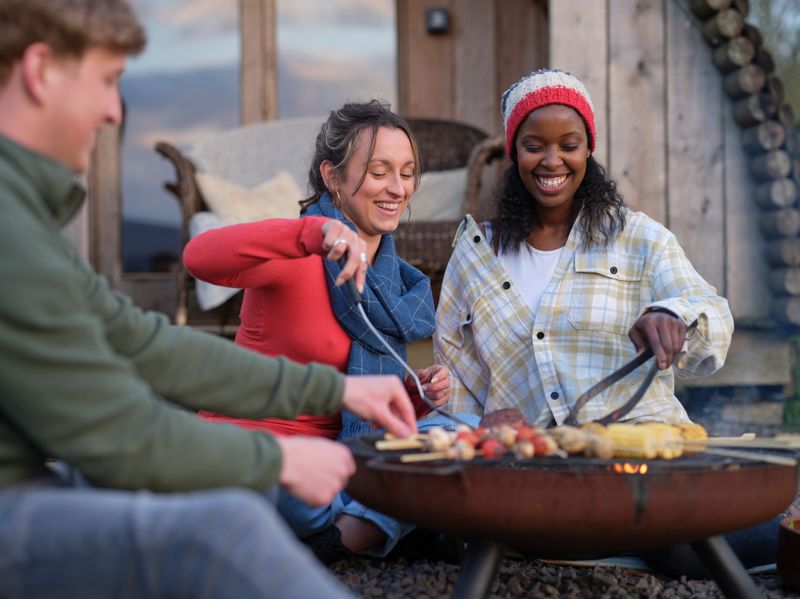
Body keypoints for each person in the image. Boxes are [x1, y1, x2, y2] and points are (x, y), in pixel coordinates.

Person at [0, 1, 419, 597]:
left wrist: (340, 391)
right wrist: (278, 462)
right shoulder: (11, 230)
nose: (116, 110)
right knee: (219, 531)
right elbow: (115, 433)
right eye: (108, 80)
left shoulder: (26, 220)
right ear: (41, 71)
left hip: (41, 485)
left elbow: (146, 345)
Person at [184, 100, 466, 561]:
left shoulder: (395, 284)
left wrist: (416, 397)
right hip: (264, 464)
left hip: (335, 469)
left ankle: (337, 541)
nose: (398, 188)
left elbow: (363, 409)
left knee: (463, 432)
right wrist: (308, 236)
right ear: (332, 177)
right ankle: (371, 528)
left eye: (408, 172)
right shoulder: (299, 251)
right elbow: (198, 256)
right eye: (379, 172)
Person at [434, 68, 734, 428]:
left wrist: (674, 316)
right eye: (534, 147)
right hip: (528, 469)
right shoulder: (475, 256)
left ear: (589, 148)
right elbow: (454, 386)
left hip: (636, 464)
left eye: (569, 145)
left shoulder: (640, 239)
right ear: (514, 151)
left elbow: (715, 321)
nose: (552, 160)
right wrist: (476, 428)